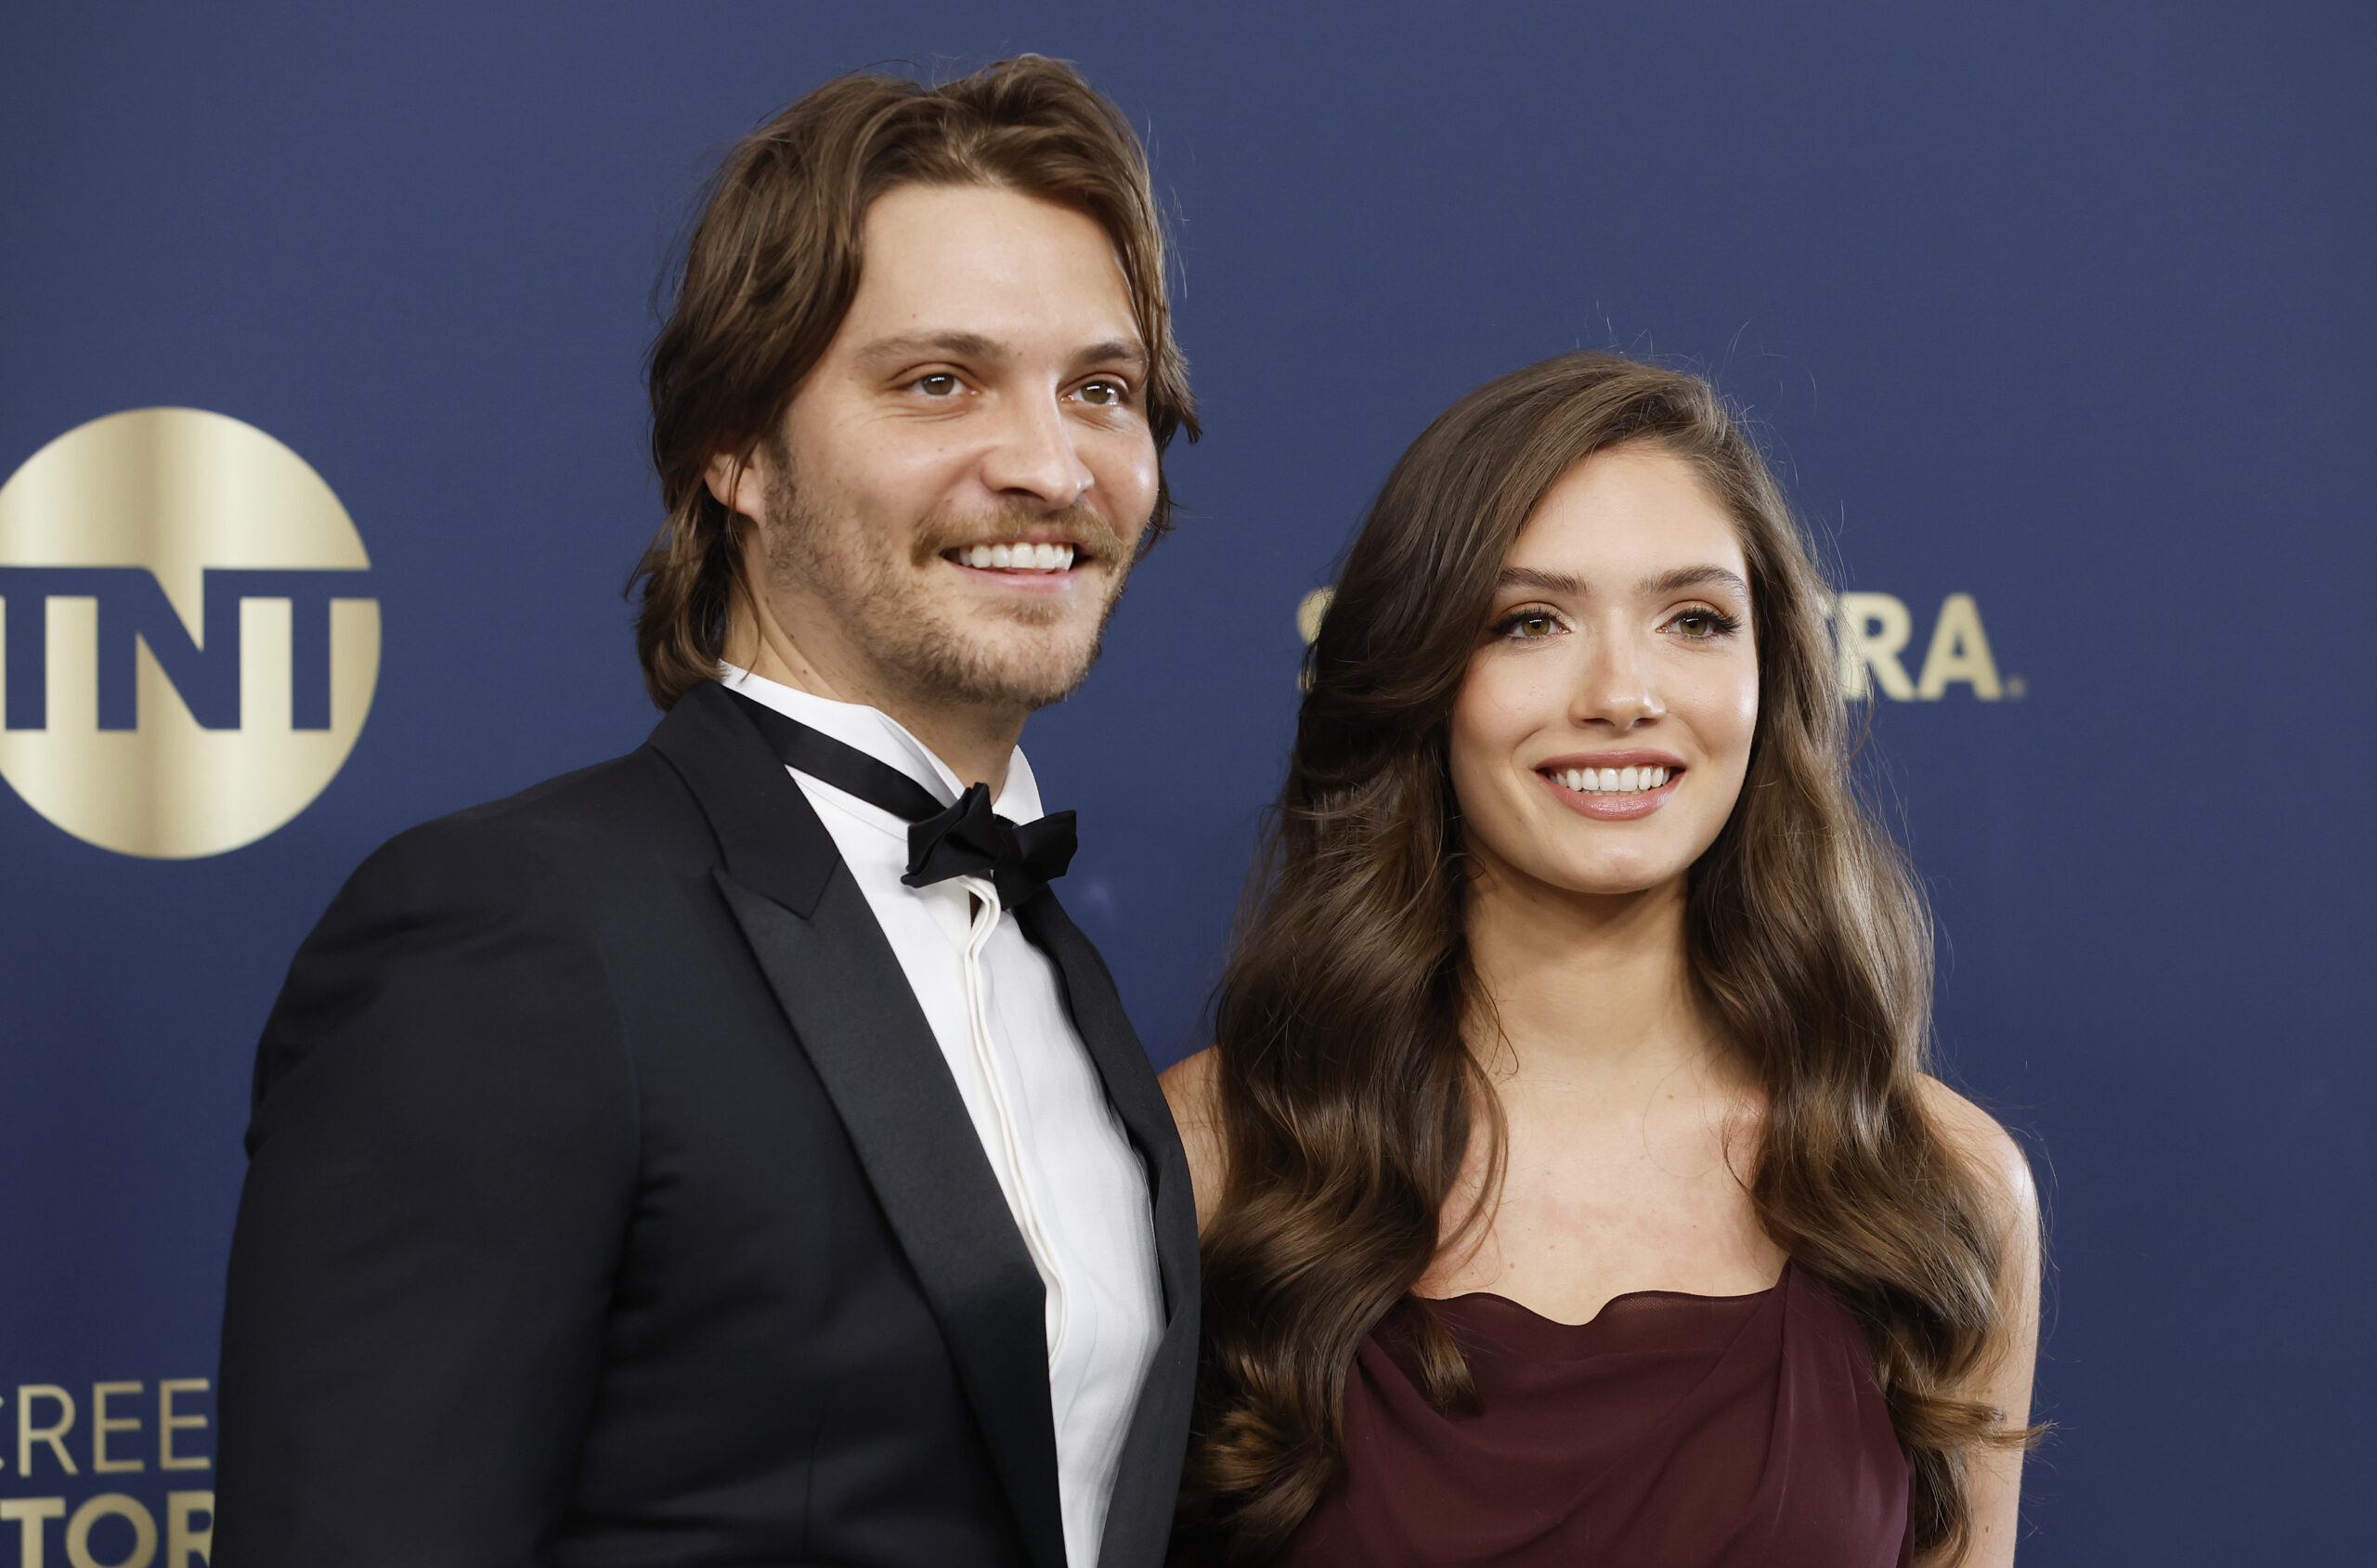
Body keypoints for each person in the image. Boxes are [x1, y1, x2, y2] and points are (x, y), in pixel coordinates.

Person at [216, 57, 1200, 1568]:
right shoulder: (514, 934)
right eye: (940, 382)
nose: (1049, 464)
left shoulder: (1065, 967)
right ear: (733, 448)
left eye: (1102, 390)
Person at [1163, 353, 2041, 1567]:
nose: (1623, 693)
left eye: (1693, 619)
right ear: (1425, 677)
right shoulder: (1220, 1151)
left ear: (1767, 674)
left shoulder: (1940, 1183)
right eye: (1530, 620)